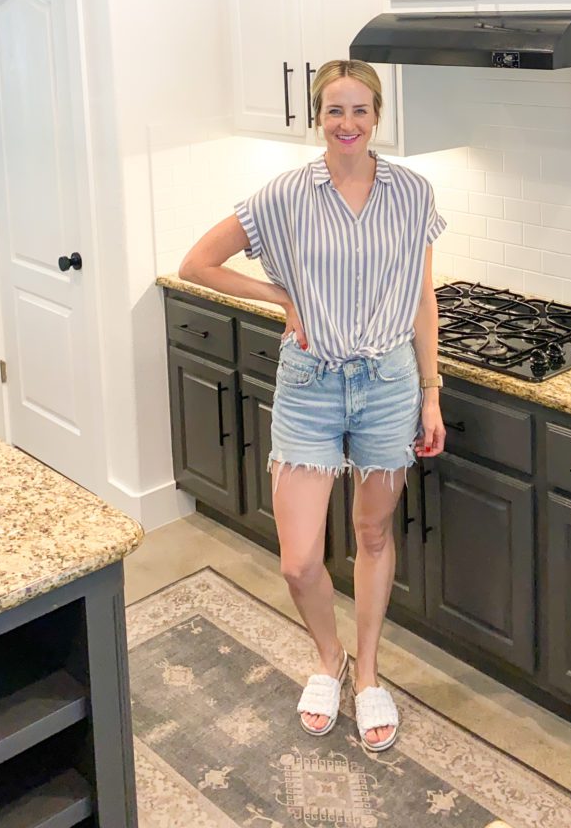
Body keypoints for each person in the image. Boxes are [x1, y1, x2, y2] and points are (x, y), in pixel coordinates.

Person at [178, 59, 446, 752]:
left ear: (378, 117)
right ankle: (329, 657)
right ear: (316, 117)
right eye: (335, 111)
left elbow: (422, 298)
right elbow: (197, 263)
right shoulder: (286, 196)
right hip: (310, 384)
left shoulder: (413, 193)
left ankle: (368, 676)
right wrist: (281, 298)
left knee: (374, 536)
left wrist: (431, 392)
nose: (347, 124)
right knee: (298, 559)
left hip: (388, 384)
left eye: (360, 111)